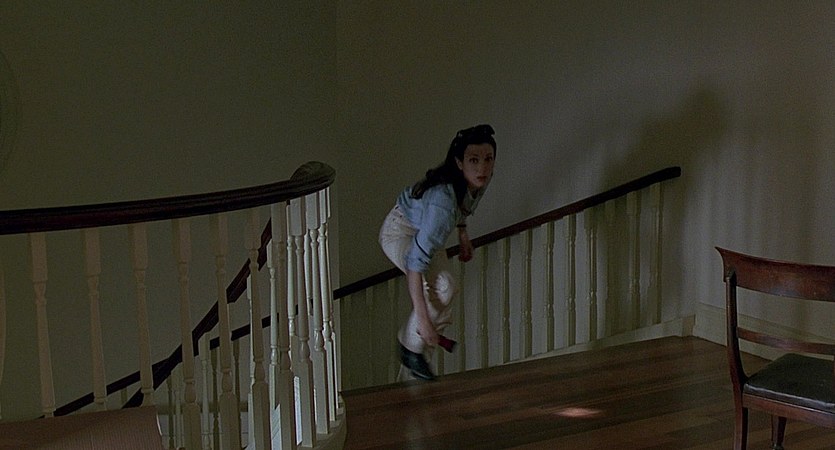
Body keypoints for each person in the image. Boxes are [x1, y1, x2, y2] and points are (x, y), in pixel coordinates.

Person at [378, 124, 497, 380]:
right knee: (439, 288)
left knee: (447, 289)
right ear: (459, 162)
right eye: (474, 160)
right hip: (400, 231)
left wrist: (463, 234)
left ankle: (415, 364)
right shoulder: (442, 205)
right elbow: (415, 264)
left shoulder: (479, 180)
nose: (483, 168)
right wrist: (422, 321)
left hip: (426, 230)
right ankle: (410, 349)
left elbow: (465, 205)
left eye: (488, 159)